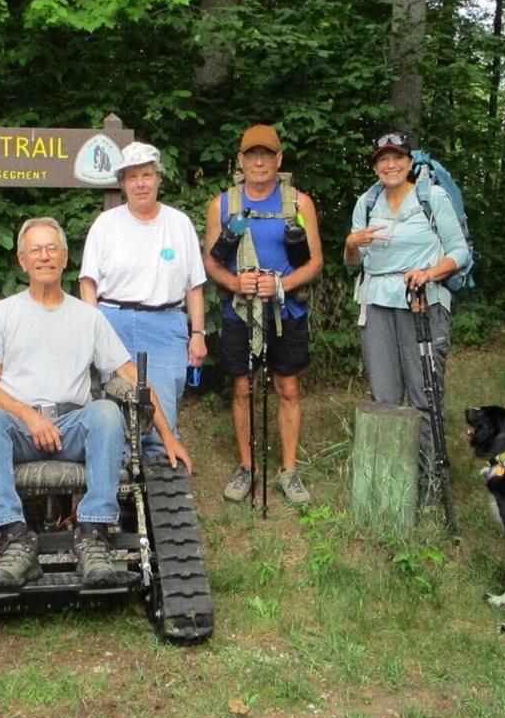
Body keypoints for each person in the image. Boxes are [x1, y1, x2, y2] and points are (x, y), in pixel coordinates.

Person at [0, 217, 192, 591]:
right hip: (18, 426)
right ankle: (14, 538)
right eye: (35, 250)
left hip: (71, 427)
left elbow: (132, 377)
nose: (44, 256)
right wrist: (28, 416)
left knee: (106, 409)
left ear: (66, 258)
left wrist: (168, 435)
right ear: (22, 260)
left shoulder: (89, 317)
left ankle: (92, 533)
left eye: (52, 248)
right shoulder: (1, 312)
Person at [343, 131, 470, 494]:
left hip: (423, 301)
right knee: (384, 396)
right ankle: (390, 482)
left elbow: (459, 252)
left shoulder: (433, 198)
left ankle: (430, 479)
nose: (390, 164)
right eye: (383, 159)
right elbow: (354, 263)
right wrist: (350, 244)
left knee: (425, 394)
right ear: (375, 165)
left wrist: (429, 273)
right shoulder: (367, 202)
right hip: (377, 302)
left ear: (409, 161)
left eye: (397, 157)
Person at [202, 124, 323, 506]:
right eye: (251, 154)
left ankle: (288, 470)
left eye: (267, 154)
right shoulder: (221, 205)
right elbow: (210, 262)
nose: (259, 161)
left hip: (287, 309)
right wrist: (236, 283)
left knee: (287, 387)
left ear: (278, 159)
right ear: (240, 160)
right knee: (243, 387)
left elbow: (316, 261)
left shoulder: (299, 204)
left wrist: (281, 285)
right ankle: (246, 466)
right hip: (240, 312)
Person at [79, 142, 207, 455]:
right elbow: (88, 282)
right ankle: (118, 488)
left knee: (161, 412)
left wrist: (198, 334)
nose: (140, 183)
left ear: (159, 178)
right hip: (113, 323)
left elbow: (195, 286)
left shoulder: (179, 224)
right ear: (122, 183)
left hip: (166, 327)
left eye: (147, 174)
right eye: (132, 176)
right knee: (114, 410)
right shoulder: (105, 224)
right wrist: (94, 330)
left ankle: (164, 492)